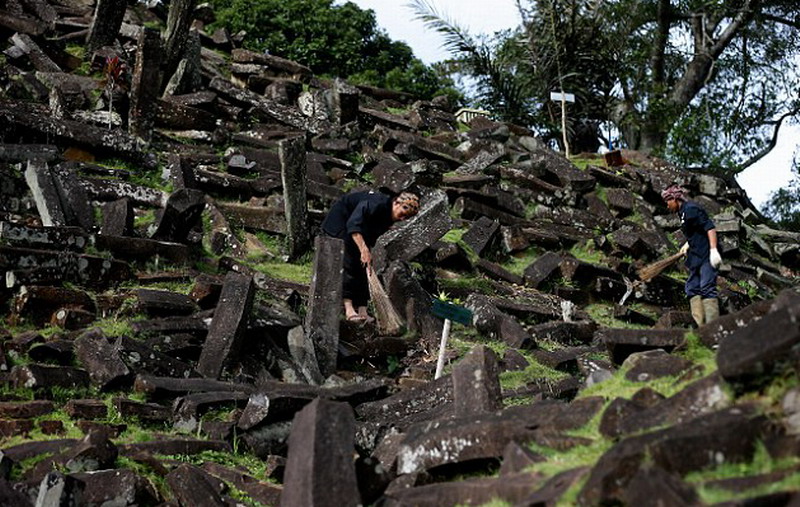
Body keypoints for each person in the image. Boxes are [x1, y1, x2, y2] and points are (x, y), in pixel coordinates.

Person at [321, 190, 420, 322]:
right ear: (396, 203)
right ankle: (349, 308)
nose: (402, 219)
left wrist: (367, 252)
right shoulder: (376, 204)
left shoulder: (388, 217)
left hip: (359, 231)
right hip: (341, 223)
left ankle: (362, 309)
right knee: (350, 259)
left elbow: (371, 235)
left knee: (365, 266)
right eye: (402, 213)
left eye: (406, 218)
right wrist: (363, 249)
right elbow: (353, 224)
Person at [661, 184, 722, 326]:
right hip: (696, 255)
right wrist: (687, 244)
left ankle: (713, 331)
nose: (667, 206)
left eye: (667, 202)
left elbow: (710, 228)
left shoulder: (692, 209)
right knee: (692, 288)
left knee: (707, 287)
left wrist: (713, 250)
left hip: (707, 254)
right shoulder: (682, 213)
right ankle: (700, 327)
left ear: (675, 199)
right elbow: (695, 231)